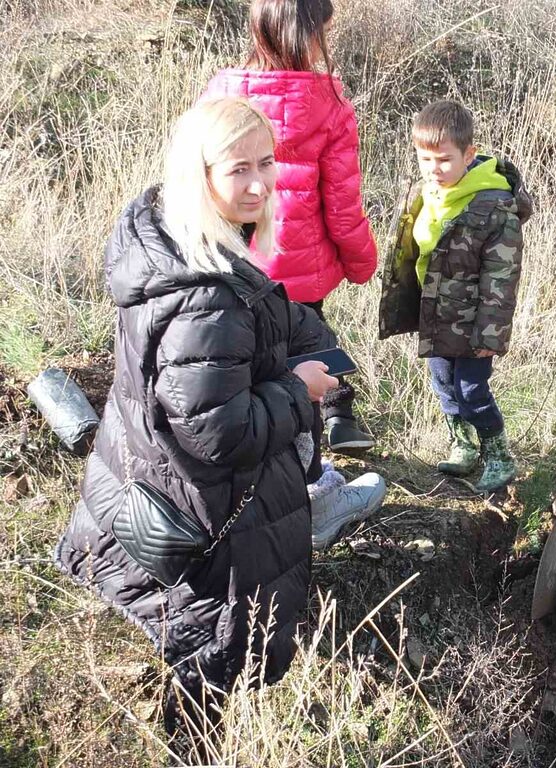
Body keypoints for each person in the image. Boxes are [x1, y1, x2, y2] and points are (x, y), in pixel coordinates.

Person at [53, 98, 382, 761]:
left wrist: (309, 339)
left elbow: (254, 325)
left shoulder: (177, 242)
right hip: (202, 514)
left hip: (150, 479)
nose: (261, 183)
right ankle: (194, 748)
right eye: (239, 169)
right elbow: (218, 434)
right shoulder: (206, 296)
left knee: (190, 642)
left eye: (268, 163)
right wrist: (301, 391)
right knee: (206, 658)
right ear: (197, 174)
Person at [203, 0, 378, 455]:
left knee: (247, 359)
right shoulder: (330, 101)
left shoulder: (221, 92)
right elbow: (343, 206)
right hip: (301, 271)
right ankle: (322, 449)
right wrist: (362, 263)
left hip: (233, 263)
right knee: (309, 343)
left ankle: (279, 454)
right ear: (311, 33)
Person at [379, 100, 533, 492]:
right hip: (435, 314)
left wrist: (490, 335)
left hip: (474, 321)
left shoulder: (494, 206)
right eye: (425, 159)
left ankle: (498, 454)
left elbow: (502, 278)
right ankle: (463, 446)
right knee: (443, 384)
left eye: (444, 160)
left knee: (472, 389)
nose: (434, 169)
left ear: (468, 153)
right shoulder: (423, 194)